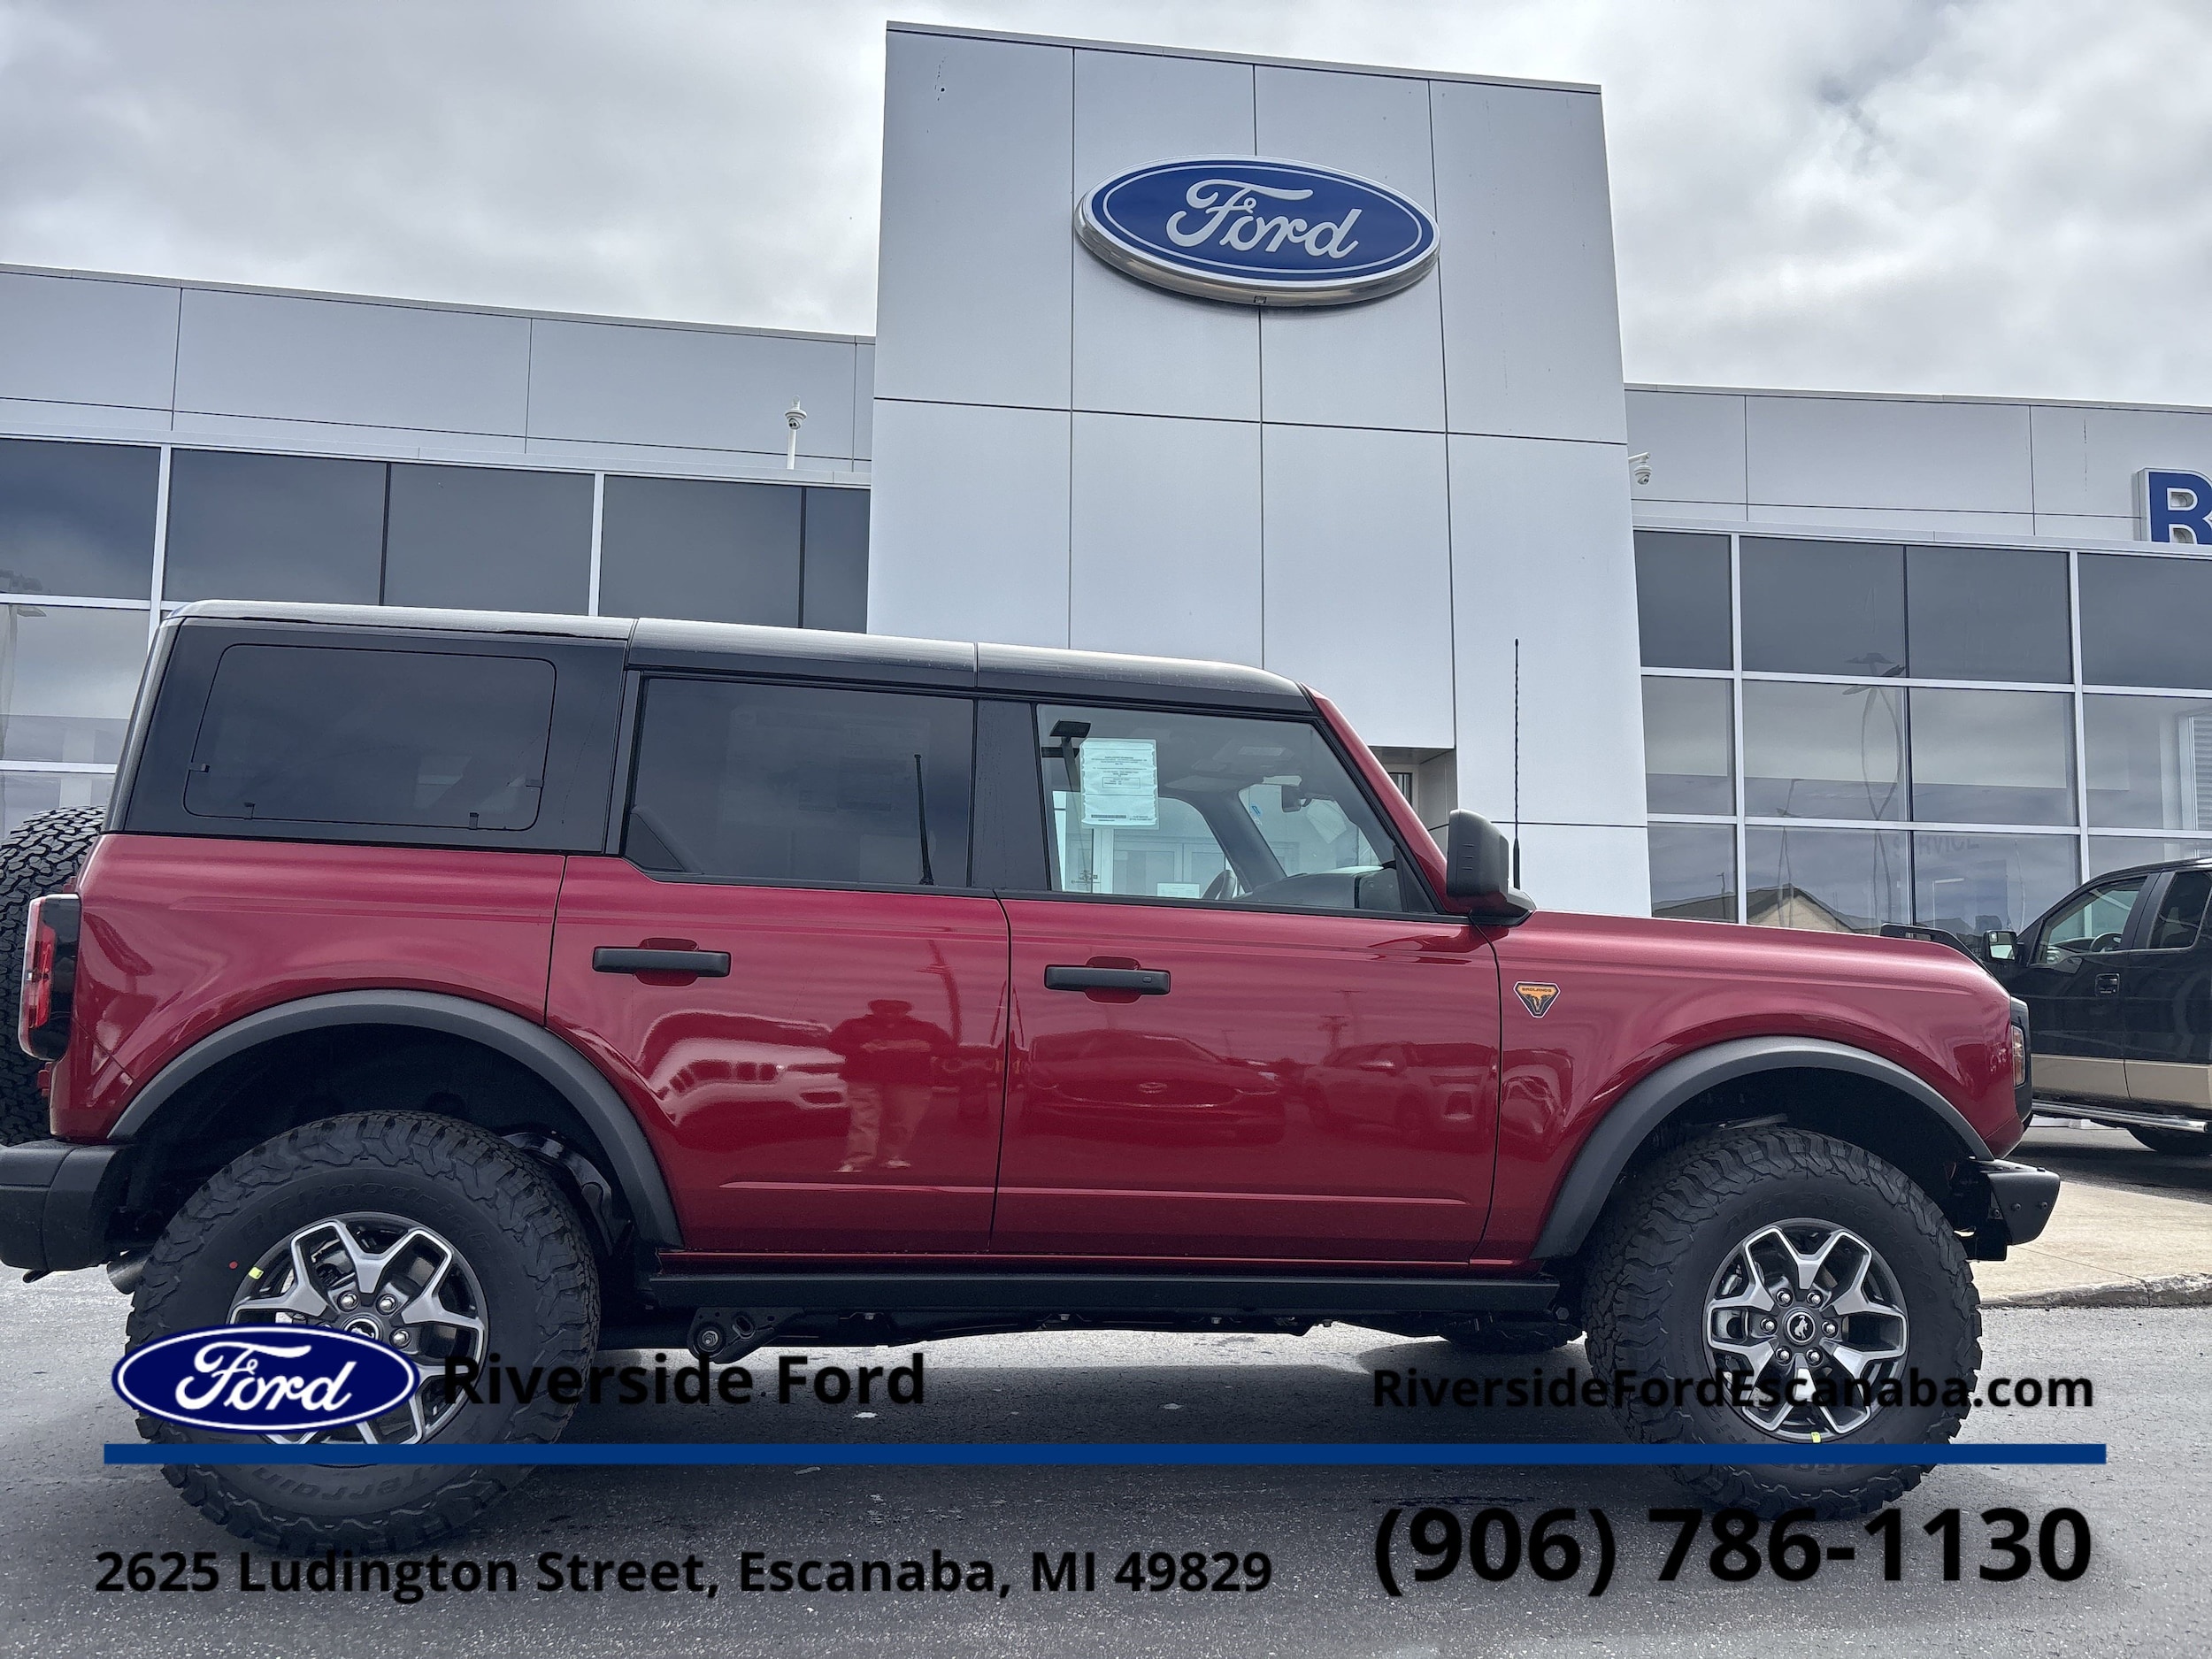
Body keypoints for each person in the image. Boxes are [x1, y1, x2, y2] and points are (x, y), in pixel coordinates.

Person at [828, 998, 952, 1172]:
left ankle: (891, 1156)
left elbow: (951, 1049)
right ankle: (857, 1161)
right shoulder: (853, 1025)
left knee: (903, 1121)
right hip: (864, 1079)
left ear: (905, 1011)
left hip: (911, 1082)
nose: (890, 1013)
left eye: (896, 1009)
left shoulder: (926, 1028)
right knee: (863, 1120)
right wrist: (861, 1048)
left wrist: (929, 1047)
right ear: (874, 1009)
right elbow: (833, 1043)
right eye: (884, 1009)